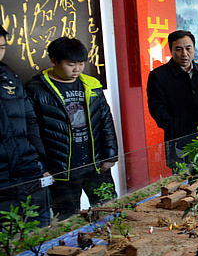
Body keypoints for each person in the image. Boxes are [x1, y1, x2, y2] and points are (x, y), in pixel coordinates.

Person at [26, 37, 118, 218]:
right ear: (54, 61)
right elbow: (32, 132)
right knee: (67, 217)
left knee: (109, 208)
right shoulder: (35, 90)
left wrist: (111, 155)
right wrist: (41, 167)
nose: (77, 69)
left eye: (81, 64)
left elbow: (106, 121)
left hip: (96, 164)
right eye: (71, 64)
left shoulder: (91, 85)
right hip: (61, 169)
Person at [147, 30, 198, 169]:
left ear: (194, 49)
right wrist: (176, 129)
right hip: (180, 142)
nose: (184, 54)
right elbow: (157, 109)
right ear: (171, 50)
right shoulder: (158, 76)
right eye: (178, 49)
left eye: (188, 48)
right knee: (185, 184)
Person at [0, 26, 50, 224]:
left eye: (2, 47)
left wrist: (39, 161)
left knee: (43, 235)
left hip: (27, 171)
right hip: (2, 178)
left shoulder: (10, 77)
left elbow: (31, 121)